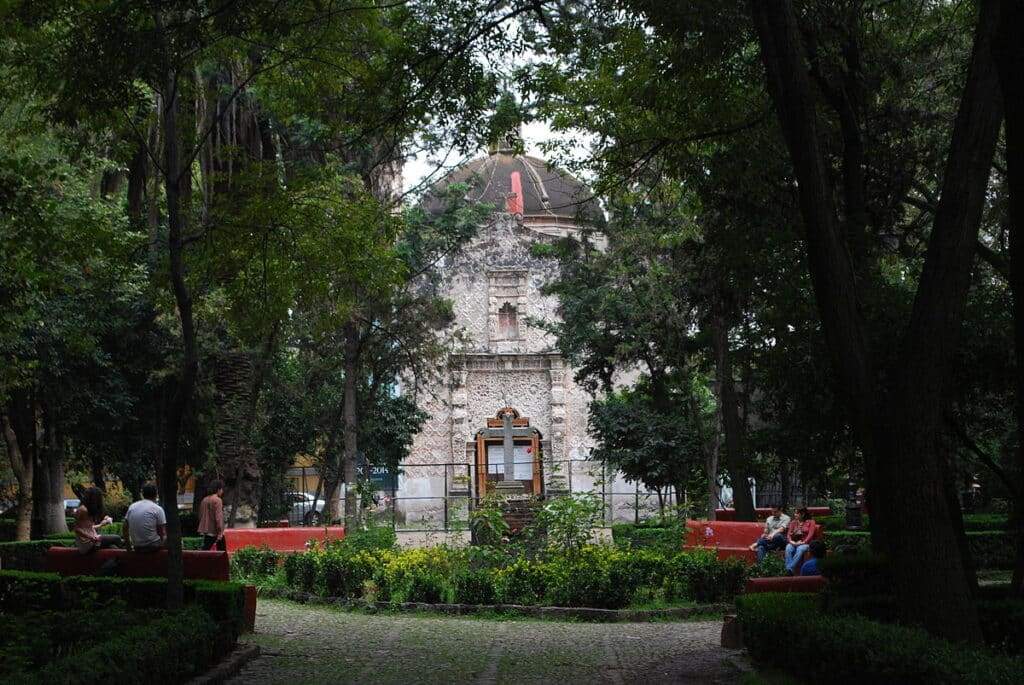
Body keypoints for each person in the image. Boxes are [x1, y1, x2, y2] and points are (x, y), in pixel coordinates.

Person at [73, 487, 123, 554]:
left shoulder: (88, 510)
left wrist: (101, 524)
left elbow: (88, 528)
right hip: (87, 544)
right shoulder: (82, 510)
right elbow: (76, 529)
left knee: (113, 547)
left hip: (92, 541)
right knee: (117, 538)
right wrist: (91, 537)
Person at [123, 483, 166, 552]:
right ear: (156, 494)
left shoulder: (132, 506)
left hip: (137, 546)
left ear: (142, 494)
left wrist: (128, 546)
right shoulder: (157, 509)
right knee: (175, 537)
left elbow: (124, 527)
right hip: (152, 546)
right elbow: (161, 532)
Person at [784, 507, 819, 575]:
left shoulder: (811, 522)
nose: (795, 515)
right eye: (795, 513)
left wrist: (803, 542)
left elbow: (810, 534)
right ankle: (789, 570)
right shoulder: (793, 522)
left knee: (800, 549)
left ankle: (789, 569)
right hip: (794, 542)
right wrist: (791, 542)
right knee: (788, 547)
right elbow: (788, 535)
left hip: (805, 543)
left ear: (802, 514)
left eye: (797, 513)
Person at [197, 479, 226, 551]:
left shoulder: (204, 500)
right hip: (214, 531)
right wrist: (220, 532)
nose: (222, 491)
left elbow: (200, 515)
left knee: (205, 550)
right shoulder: (218, 500)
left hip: (205, 531)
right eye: (222, 489)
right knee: (221, 552)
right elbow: (218, 518)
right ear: (218, 489)